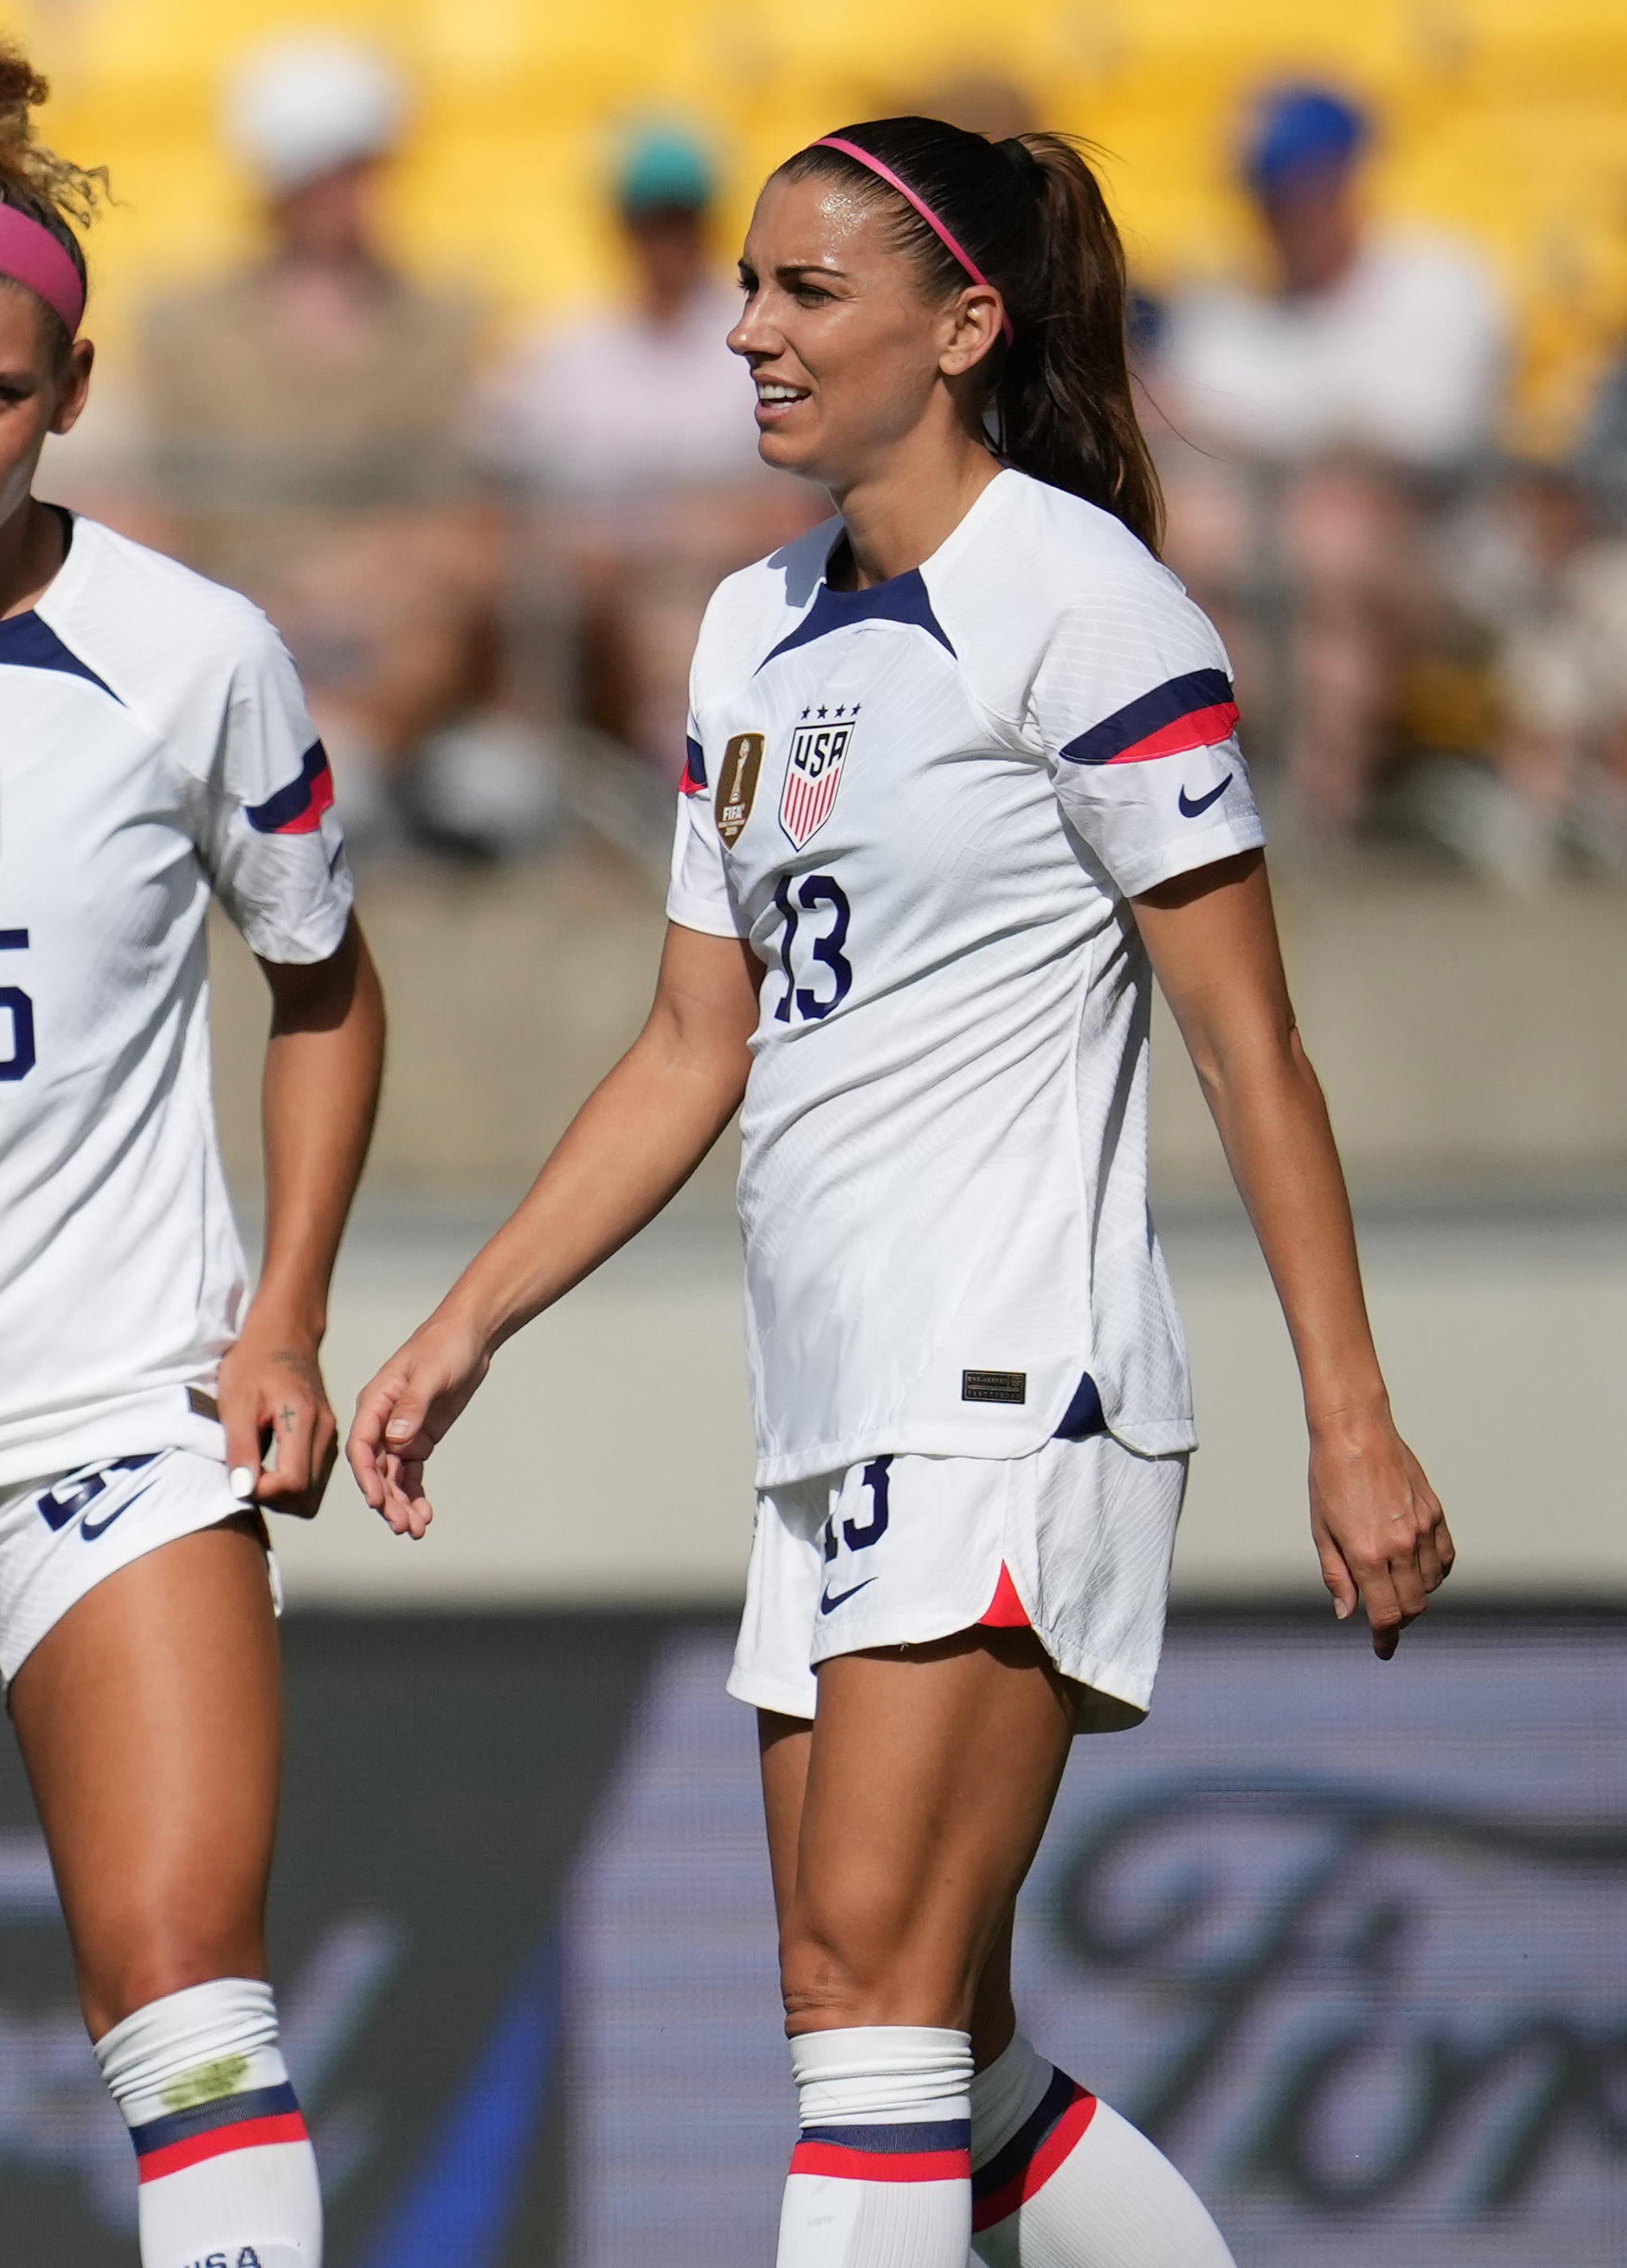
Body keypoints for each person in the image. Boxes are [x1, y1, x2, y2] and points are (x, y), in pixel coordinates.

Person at [345, 118, 1457, 2268]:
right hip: (831, 1398)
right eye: (748, 286)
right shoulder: (753, 627)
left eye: (806, 291)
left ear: (962, 328)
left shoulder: (1085, 596)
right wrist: (463, 1322)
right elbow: (694, 1043)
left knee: (866, 2015)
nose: (751, 330)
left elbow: (1250, 1036)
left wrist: (1352, 1410)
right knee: (922, 2022)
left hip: (1007, 1372)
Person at [0, 38, 386, 2268]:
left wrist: (287, 1310)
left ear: (74, 387)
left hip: (119, 1410)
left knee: (188, 1999)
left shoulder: (195, 651)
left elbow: (323, 982)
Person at [141, 32, 492, 840]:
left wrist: (368, 573)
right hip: (243, 613)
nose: (353, 196)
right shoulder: (186, 331)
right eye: (331, 172)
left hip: (392, 627)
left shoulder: (440, 325)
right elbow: (156, 512)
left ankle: (345, 763)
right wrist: (279, 595)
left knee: (442, 611)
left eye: (362, 171)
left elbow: (468, 521)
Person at [1154, 81, 1509, 837]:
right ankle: (1289, 815)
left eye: (1303, 187)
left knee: (1330, 538)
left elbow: (1425, 448)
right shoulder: (1223, 312)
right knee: (1211, 552)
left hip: (1438, 573)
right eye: (1272, 191)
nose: (1286, 211)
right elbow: (1191, 446)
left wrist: (1269, 448)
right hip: (1282, 577)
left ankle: (1292, 806)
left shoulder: (1438, 284)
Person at [478, 119, 817, 777]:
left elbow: (792, 504)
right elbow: (502, 498)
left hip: (713, 584)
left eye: (679, 220)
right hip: (584, 594)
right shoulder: (564, 351)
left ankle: (684, 770)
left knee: (673, 621)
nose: (666, 240)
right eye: (650, 220)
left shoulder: (758, 339)